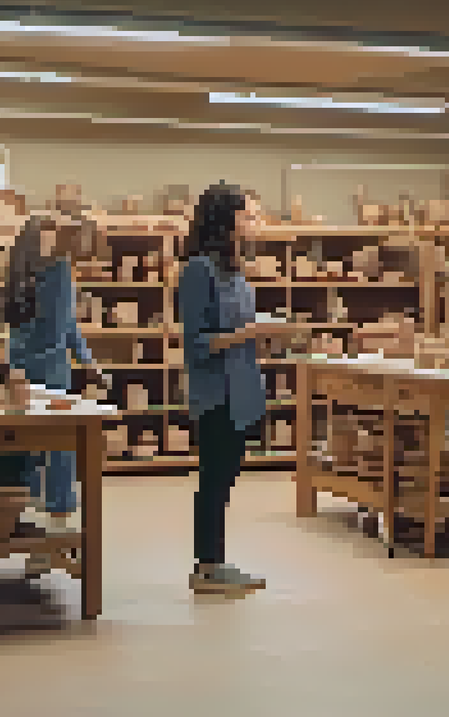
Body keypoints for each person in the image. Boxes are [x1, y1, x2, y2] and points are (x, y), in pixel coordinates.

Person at [179, 183, 302, 595]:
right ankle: (207, 567)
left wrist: (265, 334)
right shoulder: (199, 269)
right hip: (216, 391)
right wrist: (251, 330)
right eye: (249, 215)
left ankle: (214, 562)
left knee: (225, 477)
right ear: (225, 222)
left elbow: (235, 331)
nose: (256, 223)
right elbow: (197, 343)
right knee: (214, 479)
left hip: (241, 388)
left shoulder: (233, 269)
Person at [0, 208, 107, 577]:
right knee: (50, 453)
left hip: (32, 374)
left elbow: (68, 326)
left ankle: (40, 541)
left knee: (41, 453)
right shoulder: (48, 274)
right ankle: (45, 544)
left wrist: (89, 362)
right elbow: (50, 330)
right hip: (40, 376)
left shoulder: (36, 272)